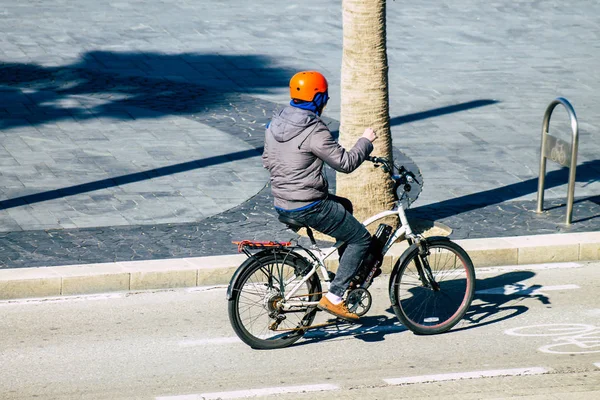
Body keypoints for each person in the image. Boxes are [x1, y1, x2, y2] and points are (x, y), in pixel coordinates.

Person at [262, 70, 377, 321]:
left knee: (344, 206)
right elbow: (345, 163)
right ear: (318, 98)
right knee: (361, 239)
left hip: (282, 202)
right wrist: (365, 141)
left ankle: (346, 271)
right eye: (324, 97)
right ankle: (335, 297)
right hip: (309, 205)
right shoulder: (313, 129)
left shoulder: (276, 123)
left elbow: (267, 160)